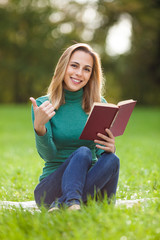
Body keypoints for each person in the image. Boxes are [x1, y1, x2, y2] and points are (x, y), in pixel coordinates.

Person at [30, 43, 120, 212]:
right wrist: (40, 128)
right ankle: (70, 201)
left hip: (91, 186)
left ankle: (66, 204)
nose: (79, 73)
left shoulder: (99, 105)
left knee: (113, 159)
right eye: (74, 65)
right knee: (83, 152)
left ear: (92, 74)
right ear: (63, 67)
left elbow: (103, 159)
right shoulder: (43, 105)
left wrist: (109, 147)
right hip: (51, 190)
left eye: (87, 69)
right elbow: (48, 155)